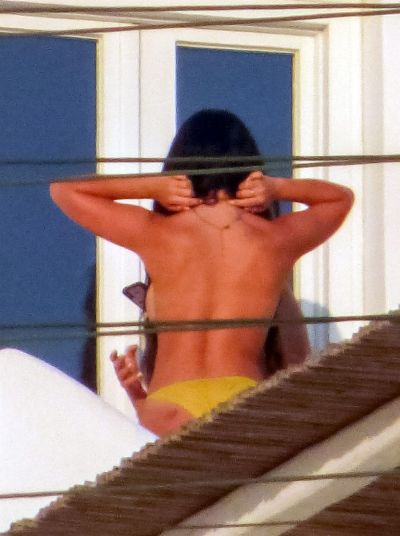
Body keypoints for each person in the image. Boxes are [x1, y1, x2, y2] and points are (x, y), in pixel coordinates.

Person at [50, 109, 353, 437]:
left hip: (170, 404)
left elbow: (65, 191)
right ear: (250, 167)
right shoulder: (273, 239)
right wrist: (276, 188)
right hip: (242, 398)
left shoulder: (158, 233)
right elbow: (340, 200)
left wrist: (151, 187)